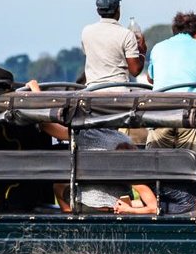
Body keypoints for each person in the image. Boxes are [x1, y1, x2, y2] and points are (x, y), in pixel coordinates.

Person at [27, 80, 157, 214]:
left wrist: (36, 91)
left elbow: (46, 124)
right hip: (121, 206)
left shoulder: (85, 135)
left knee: (58, 187)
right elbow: (149, 200)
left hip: (90, 207)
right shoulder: (125, 140)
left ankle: (70, 217)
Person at [145, 11, 196, 150]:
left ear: (174, 31)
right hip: (190, 115)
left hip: (159, 113)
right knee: (193, 163)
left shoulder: (158, 47)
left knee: (155, 163)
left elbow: (151, 79)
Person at [80, 0, 147, 89]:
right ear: (118, 10)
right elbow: (135, 71)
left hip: (92, 92)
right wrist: (142, 51)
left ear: (98, 11)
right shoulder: (126, 34)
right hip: (119, 92)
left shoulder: (86, 31)